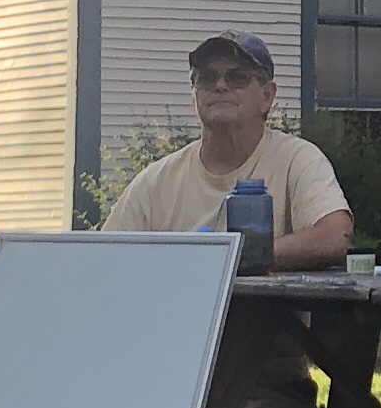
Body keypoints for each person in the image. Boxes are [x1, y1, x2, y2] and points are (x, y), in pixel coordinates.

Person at [101, 31, 353, 265]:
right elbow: (104, 256)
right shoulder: (156, 181)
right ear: (194, 95)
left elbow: (334, 236)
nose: (220, 85)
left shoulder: (297, 159)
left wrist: (233, 258)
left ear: (267, 96)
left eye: (237, 77)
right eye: (207, 78)